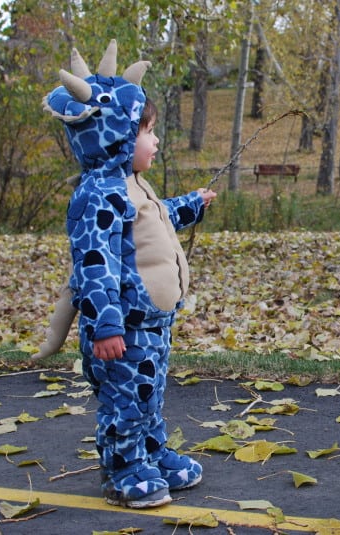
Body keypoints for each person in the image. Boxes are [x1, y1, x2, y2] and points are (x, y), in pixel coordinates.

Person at [44, 40, 215, 508]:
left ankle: (151, 453)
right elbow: (95, 264)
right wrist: (105, 326)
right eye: (147, 130)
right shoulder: (98, 194)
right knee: (125, 401)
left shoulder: (134, 185)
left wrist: (192, 204)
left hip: (153, 324)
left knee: (149, 393)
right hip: (121, 330)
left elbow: (156, 220)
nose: (155, 140)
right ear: (115, 130)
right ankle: (123, 469)